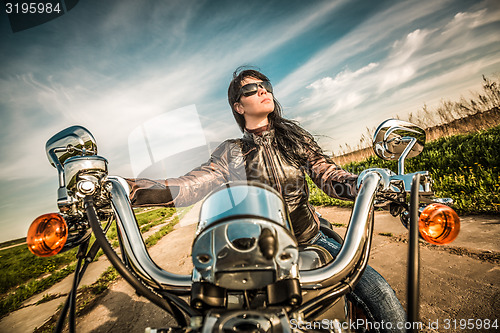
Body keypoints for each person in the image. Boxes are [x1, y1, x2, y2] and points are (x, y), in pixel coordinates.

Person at [126, 68, 406, 332]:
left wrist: (365, 184)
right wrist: (130, 189)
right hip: (259, 252)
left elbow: (328, 176)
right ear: (238, 106)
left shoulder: (294, 139)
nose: (263, 91)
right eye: (252, 88)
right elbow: (187, 185)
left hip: (309, 237)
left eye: (266, 86)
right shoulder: (231, 152)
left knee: (381, 295)